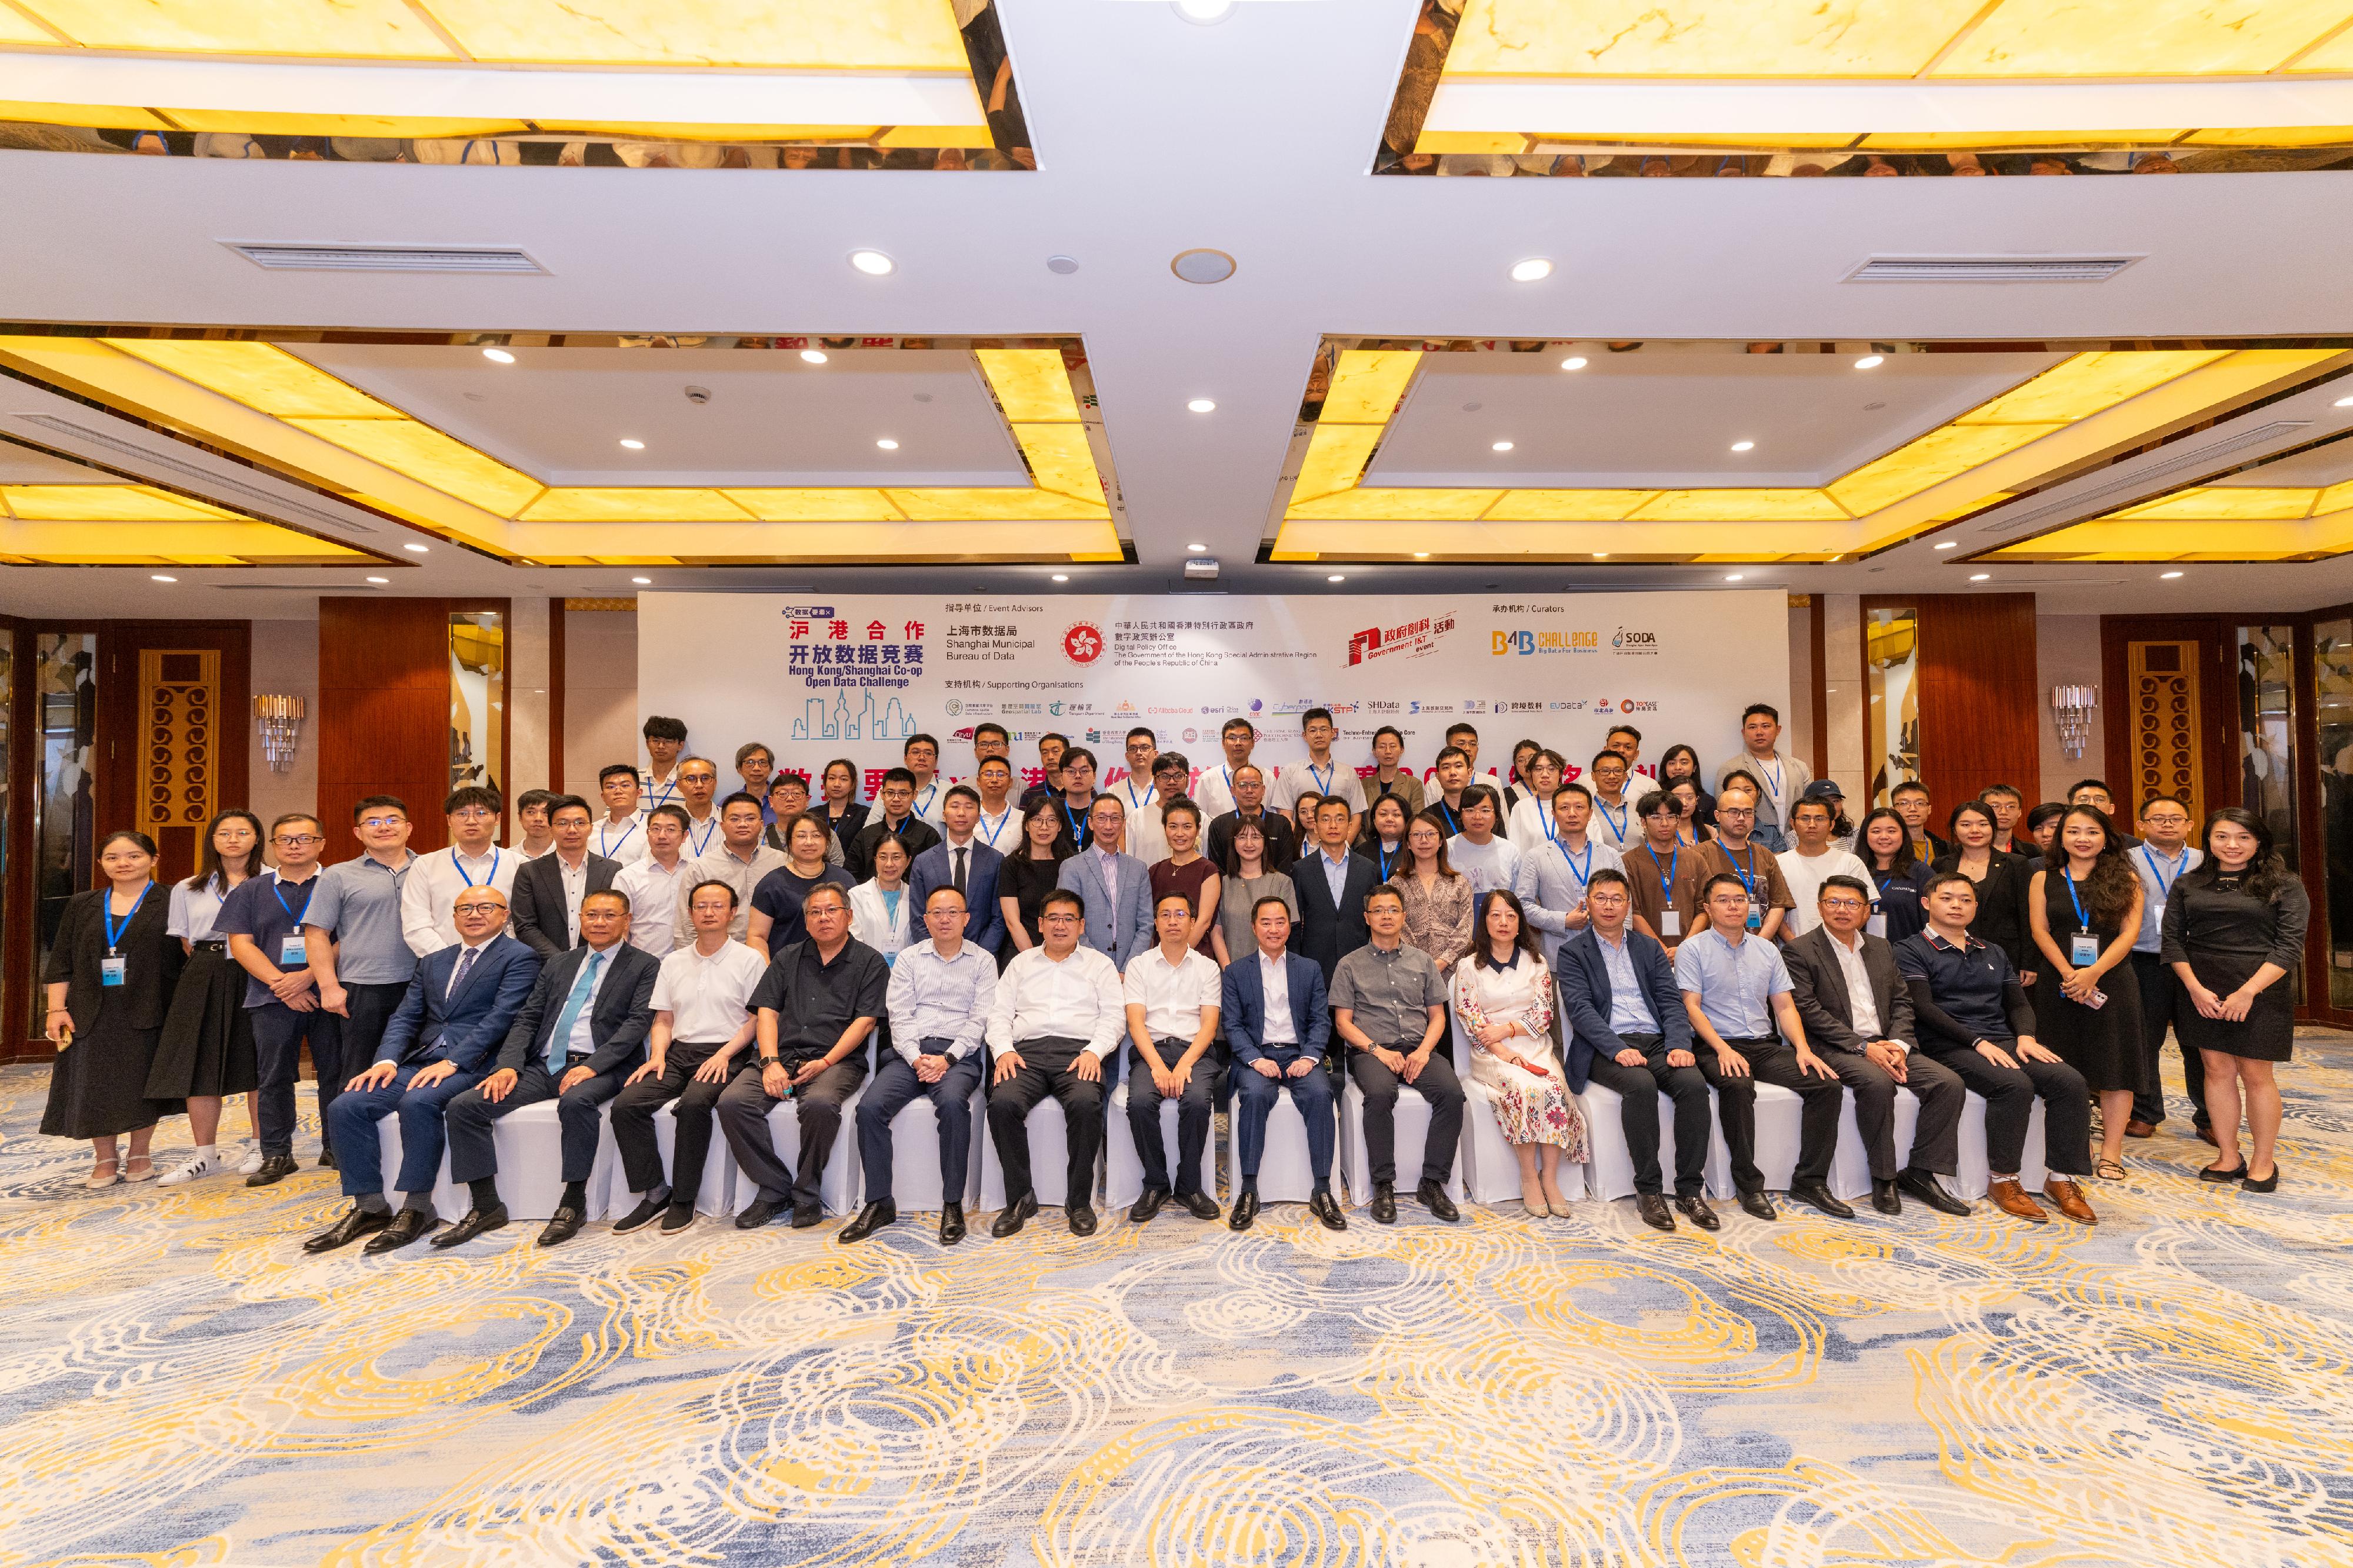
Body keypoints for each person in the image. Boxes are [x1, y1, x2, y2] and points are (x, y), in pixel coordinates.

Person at [305, 887, 541, 1254]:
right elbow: (406, 1016)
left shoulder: (520, 957)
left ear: (505, 914)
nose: (474, 914)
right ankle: (370, 1206)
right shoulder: (435, 961)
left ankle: (417, 1207)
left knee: (419, 1102)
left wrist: (455, 1062)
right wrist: (385, 1061)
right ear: (453, 916)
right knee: (347, 1105)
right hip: (422, 1060)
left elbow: (502, 1018)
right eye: (464, 908)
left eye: (485, 907)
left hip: (478, 1063)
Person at [438, 889, 658, 1247]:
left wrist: (594, 1067)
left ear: (627, 921)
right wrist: (508, 1065)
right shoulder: (560, 963)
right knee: (464, 1107)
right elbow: (528, 1018)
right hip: (546, 1064)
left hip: (604, 1066)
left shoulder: (646, 965)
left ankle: (573, 1203)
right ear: (581, 919)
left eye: (609, 915)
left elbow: (636, 1025)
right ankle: (486, 1205)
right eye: (591, 915)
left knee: (576, 1102)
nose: (599, 922)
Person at [1898, 873, 2097, 1224]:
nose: (1957, 905)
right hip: (1945, 1044)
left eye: (1965, 899)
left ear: (1976, 906)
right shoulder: (1909, 950)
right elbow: (1923, 1009)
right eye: (1947, 898)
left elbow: (2018, 1004)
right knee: (2014, 1084)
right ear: (1927, 903)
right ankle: (2004, 1180)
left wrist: (2026, 1037)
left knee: (2070, 1081)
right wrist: (1977, 1042)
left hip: (2001, 1039)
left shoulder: (1992, 951)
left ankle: (2062, 1179)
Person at [1782, 875, 1971, 1216]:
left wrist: (1899, 1045)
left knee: (1948, 1083)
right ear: (1820, 907)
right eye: (1833, 902)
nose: (1843, 910)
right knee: (1877, 1082)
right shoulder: (1799, 950)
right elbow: (1808, 1011)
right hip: (1835, 1045)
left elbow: (1902, 1002)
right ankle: (1884, 1177)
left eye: (1852, 904)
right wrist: (1862, 1048)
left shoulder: (1882, 948)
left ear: (1866, 911)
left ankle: (1921, 1172)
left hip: (1887, 1042)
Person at [1675, 873, 1847, 1220]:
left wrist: (1802, 1048)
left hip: (1764, 1045)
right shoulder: (1693, 949)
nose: (1733, 906)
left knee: (1826, 1084)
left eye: (1739, 899)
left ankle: (1810, 1181)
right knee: (1738, 1086)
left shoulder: (1767, 950)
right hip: (1715, 1044)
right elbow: (1691, 1006)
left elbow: (1784, 1006)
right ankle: (1749, 1185)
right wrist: (1723, 1049)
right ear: (1708, 908)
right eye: (1723, 900)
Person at [719, 882, 886, 1229]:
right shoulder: (787, 957)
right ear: (806, 920)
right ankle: (773, 1188)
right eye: (815, 912)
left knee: (820, 1105)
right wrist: (770, 1062)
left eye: (832, 911)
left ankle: (807, 1192)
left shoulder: (870, 962)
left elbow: (866, 1022)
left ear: (849, 916)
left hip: (836, 1060)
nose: (824, 918)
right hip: (782, 1055)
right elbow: (767, 1012)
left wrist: (826, 1062)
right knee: (733, 1103)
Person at [841, 885, 997, 1245]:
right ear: (925, 920)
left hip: (958, 1055)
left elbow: (981, 1020)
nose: (945, 919)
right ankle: (879, 1201)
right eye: (937, 913)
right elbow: (899, 1016)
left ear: (966, 918)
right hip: (909, 1053)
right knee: (870, 1108)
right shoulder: (909, 959)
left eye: (953, 912)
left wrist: (947, 1059)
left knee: (955, 1106)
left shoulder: (984, 961)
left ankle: (953, 1203)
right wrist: (917, 1059)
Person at [1558, 870, 1713, 1232]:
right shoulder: (1572, 952)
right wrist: (1616, 1049)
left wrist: (1678, 1044)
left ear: (1628, 905)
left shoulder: (1647, 948)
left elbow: (1671, 1001)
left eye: (1617, 899)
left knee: (1693, 1085)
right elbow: (1580, 1011)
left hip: (1656, 1041)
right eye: (1601, 898)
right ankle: (1649, 1190)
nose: (1609, 906)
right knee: (1640, 1085)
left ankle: (1691, 1190)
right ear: (1588, 903)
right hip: (1604, 1046)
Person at [609, 879, 765, 1235]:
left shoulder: (749, 959)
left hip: (728, 1052)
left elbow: (757, 1020)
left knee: (694, 1105)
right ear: (690, 912)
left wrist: (725, 1055)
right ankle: (656, 1192)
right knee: (627, 1105)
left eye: (717, 906)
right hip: (678, 1053)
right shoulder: (674, 961)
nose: (708, 913)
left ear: (733, 912)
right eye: (701, 907)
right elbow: (663, 1018)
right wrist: (658, 1055)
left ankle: (684, 1198)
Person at [2165, 806, 2308, 1192]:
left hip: (2260, 989)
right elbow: (2173, 942)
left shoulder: (2285, 883)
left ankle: (2264, 1161)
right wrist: (2194, 988)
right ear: (2208, 841)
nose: (2232, 845)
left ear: (2259, 841)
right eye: (2222, 836)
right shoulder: (2189, 884)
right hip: (2202, 989)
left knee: (2257, 1075)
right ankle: (2229, 1155)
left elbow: (2289, 947)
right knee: (2215, 1070)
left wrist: (2247, 992)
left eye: (2243, 837)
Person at [42, 830, 181, 1187]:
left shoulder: (173, 899)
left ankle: (140, 1154)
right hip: (91, 1008)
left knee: (142, 1082)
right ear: (102, 863)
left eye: (134, 856)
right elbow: (61, 962)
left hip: (152, 1005)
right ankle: (105, 1158)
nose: (123, 863)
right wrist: (56, 1009)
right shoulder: (83, 904)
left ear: (154, 859)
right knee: (93, 1082)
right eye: (113, 857)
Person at [985, 887, 1124, 1236]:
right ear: (1041, 924)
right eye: (1053, 919)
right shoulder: (1021, 963)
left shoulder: (1100, 964)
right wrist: (1003, 1050)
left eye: (1068, 919)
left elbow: (1114, 1017)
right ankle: (1020, 1197)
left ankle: (1078, 1200)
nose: (1060, 926)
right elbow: (999, 1014)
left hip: (1078, 1053)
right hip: (1025, 1053)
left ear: (1081, 925)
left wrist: (1095, 1051)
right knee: (1002, 1103)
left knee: (1085, 1103)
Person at [297, 796, 420, 1176]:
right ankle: (346, 1150)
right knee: (356, 1070)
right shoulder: (338, 875)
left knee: (417, 1067)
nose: (384, 827)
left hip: (421, 985)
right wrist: (328, 986)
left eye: (392, 819)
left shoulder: (430, 868)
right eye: (372, 821)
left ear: (408, 827)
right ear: (357, 832)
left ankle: (409, 1146)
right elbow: (317, 934)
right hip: (362, 987)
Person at [2028, 806, 2149, 1183]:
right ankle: (2072, 1144)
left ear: (2107, 837)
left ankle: (2111, 1151)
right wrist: (2070, 974)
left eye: (2092, 831)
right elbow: (2040, 930)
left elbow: (2130, 934)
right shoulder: (2042, 878)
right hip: (2059, 984)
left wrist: (2094, 972)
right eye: (2073, 831)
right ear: (2060, 837)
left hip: (2112, 982)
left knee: (2116, 1068)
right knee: (2062, 1067)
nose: (2082, 838)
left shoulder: (2127, 878)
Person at [217, 813, 337, 1189]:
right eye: (285, 840)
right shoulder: (251, 890)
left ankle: (337, 1147)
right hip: (271, 997)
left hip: (330, 994)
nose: (295, 845)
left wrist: (309, 976)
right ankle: (276, 1153)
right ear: (273, 846)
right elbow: (240, 944)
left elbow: (351, 938)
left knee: (336, 1073)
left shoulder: (339, 884)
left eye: (304, 838)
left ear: (321, 842)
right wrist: (282, 983)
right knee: (273, 1077)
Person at [1452, 890, 1587, 1215]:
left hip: (1535, 1046)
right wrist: (1505, 1051)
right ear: (1484, 921)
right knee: (1524, 1088)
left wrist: (1509, 1029)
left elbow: (1543, 1015)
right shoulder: (1469, 967)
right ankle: (1529, 1177)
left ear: (1520, 922)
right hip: (1491, 1053)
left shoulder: (1536, 962)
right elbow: (1473, 1022)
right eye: (1496, 915)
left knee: (1554, 1088)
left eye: (1511, 916)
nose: (1504, 922)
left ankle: (1550, 1178)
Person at [1333, 885, 1462, 1223]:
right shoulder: (1349, 964)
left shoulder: (1423, 962)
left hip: (1419, 1048)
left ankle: (1432, 1182)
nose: (1386, 916)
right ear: (1367, 918)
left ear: (1404, 917)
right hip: (1371, 1050)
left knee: (1452, 1095)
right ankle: (1383, 1184)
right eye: (1378, 910)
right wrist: (1378, 1051)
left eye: (1393, 910)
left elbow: (1438, 1017)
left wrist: (1422, 1053)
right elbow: (1343, 1024)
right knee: (1379, 1094)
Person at [151, 810, 265, 1185]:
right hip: (204, 972)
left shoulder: (272, 881)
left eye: (242, 832)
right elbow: (186, 942)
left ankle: (262, 1145)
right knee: (199, 1062)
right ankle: (204, 1154)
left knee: (258, 1063)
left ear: (257, 838)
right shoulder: (188, 887)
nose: (233, 839)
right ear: (212, 840)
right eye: (224, 833)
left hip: (257, 971)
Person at [1224, 898, 1346, 1232]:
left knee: (1322, 1095)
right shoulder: (1236, 972)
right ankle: (1249, 1189)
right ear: (1254, 928)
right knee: (1255, 1096)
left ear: (1290, 927)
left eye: (1280, 922)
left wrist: (1310, 1058)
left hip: (1300, 1054)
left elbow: (1321, 1020)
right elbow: (1232, 1026)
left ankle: (1322, 1190)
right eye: (1266, 922)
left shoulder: (1309, 969)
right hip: (1257, 1054)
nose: (1273, 929)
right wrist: (1255, 1060)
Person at [1120, 891, 1227, 1222]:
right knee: (1139, 1102)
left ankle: (1189, 1185)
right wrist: (1156, 1065)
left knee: (1196, 1102)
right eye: (1165, 915)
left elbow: (1209, 1027)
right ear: (1155, 923)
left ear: (1193, 922)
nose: (1173, 921)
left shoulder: (1208, 968)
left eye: (1181, 915)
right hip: (1150, 1050)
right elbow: (1135, 1023)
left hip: (1195, 1052)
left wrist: (1183, 1066)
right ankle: (1156, 1183)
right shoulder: (1138, 966)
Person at [2126, 793, 2205, 1141]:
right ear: (2141, 825)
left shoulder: (2207, 860)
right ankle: (2145, 1112)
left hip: (2197, 962)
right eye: (2158, 819)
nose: (2168, 824)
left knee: (2201, 1041)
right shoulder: (2125, 860)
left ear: (2189, 824)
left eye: (2176, 818)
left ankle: (2209, 1117)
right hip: (2145, 959)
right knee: (2144, 1039)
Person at [1514, 781, 1623, 965]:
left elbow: (1625, 905)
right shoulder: (1536, 856)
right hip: (1559, 954)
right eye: (1564, 808)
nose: (1572, 813)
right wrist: (1563, 921)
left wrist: (1622, 948)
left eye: (1579, 807)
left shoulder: (1610, 855)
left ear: (1590, 814)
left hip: (1609, 954)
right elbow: (1523, 905)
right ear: (1554, 814)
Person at [401, 787, 518, 954]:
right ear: (449, 820)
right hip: (441, 962)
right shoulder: (425, 865)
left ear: (497, 818)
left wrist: (500, 957)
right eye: (462, 814)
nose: (471, 821)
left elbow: (523, 922)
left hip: (505, 963)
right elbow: (416, 924)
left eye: (481, 813)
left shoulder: (519, 864)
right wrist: (450, 959)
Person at [1932, 801, 2038, 985]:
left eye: (1983, 824)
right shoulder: (1941, 865)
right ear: (1955, 829)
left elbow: (2029, 915)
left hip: (2006, 955)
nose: (1975, 830)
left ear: (1993, 828)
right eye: (1966, 825)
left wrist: (2029, 962)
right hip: (1950, 955)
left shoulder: (2016, 864)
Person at [510, 795, 619, 959]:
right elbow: (525, 926)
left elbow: (616, 920)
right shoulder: (529, 872)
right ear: (551, 828)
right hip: (546, 966)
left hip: (599, 962)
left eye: (580, 823)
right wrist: (560, 961)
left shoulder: (612, 870)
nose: (572, 830)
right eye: (562, 823)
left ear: (591, 828)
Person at [1058, 794, 1154, 969]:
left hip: (1130, 970)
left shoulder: (1138, 869)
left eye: (1115, 818)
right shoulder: (1072, 868)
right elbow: (1068, 922)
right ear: (1091, 823)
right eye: (1101, 818)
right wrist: (1100, 968)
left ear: (1123, 823)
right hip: (1084, 968)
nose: (1108, 826)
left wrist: (1128, 968)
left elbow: (1146, 925)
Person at [911, 784, 1006, 956]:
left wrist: (980, 956)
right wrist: (936, 954)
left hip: (982, 959)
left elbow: (999, 918)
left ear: (978, 817)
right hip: (934, 959)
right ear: (944, 815)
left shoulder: (995, 860)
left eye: (969, 807)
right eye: (955, 806)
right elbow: (919, 917)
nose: (961, 813)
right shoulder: (924, 862)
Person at [1294, 795, 1379, 983]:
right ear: (1315, 826)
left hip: (1361, 966)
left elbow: (1375, 919)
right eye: (1325, 819)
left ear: (1350, 826)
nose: (1333, 825)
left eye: (1340, 819)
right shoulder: (1301, 869)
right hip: (1314, 966)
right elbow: (1294, 924)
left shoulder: (1367, 868)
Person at [691, 794, 794, 949]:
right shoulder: (701, 868)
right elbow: (688, 925)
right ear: (722, 825)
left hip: (777, 954)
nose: (743, 824)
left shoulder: (782, 862)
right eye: (734, 819)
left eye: (750, 819)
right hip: (722, 956)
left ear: (761, 824)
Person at [1697, 788, 1794, 941]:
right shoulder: (1700, 855)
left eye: (1748, 813)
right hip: (1714, 947)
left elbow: (1778, 904)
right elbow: (1697, 907)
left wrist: (1759, 943)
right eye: (1734, 812)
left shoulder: (1765, 855)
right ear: (1717, 816)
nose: (1741, 818)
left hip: (1762, 947)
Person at [1625, 790, 1707, 956]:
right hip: (1646, 952)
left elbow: (1704, 909)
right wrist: (1660, 948)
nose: (1665, 823)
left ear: (1678, 820)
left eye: (1671, 817)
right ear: (1643, 822)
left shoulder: (1695, 860)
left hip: (1692, 951)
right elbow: (1633, 912)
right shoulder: (1629, 862)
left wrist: (1685, 949)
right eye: (1656, 817)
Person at [1717, 703, 1809, 850]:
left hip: (1796, 844)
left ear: (1778, 730)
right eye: (1753, 727)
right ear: (1744, 732)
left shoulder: (1799, 767)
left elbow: (1808, 809)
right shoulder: (1730, 768)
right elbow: (1724, 812)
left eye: (1766, 726)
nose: (1759, 732)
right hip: (1754, 844)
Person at [1776, 796, 1871, 938]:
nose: (1812, 825)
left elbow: (1864, 910)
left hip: (1842, 947)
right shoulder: (1778, 863)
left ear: (1832, 824)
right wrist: (1797, 946)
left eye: (1820, 819)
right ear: (1793, 824)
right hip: (1792, 950)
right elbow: (1774, 910)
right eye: (1805, 819)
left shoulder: (1850, 862)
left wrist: (1840, 940)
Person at [1391, 808, 1474, 969]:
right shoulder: (1396, 884)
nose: (1424, 840)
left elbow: (1466, 929)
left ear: (1441, 841)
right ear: (1407, 843)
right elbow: (1397, 927)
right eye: (1416, 835)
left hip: (1454, 969)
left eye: (1430, 834)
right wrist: (1418, 963)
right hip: (1409, 967)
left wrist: (1443, 962)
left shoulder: (1459, 883)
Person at [999, 796, 1076, 967]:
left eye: (1051, 820)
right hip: (1022, 952)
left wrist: (1057, 956)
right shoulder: (1011, 864)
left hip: (1066, 952)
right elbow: (1013, 922)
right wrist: (1035, 959)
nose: (1044, 827)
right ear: (1026, 825)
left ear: (1060, 826)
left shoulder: (1071, 864)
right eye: (1037, 820)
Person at [1214, 816, 1298, 966]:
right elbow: (1217, 932)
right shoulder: (1223, 884)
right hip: (1232, 970)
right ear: (1233, 842)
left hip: (1273, 970)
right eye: (1242, 837)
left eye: (1255, 837)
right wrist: (1230, 970)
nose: (1249, 844)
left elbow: (1284, 933)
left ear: (1265, 841)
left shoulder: (1282, 882)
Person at [613, 804, 693, 958]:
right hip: (646, 967)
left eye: (671, 830)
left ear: (684, 836)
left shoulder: (697, 872)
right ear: (647, 833)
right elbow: (620, 930)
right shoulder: (627, 877)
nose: (662, 836)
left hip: (692, 965)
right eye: (655, 829)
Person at [1274, 707, 1365, 840]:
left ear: (1333, 733)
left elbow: (1356, 817)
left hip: (1341, 848)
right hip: (1303, 850)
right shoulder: (1290, 772)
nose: (1319, 735)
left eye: (1324, 729)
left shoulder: (1348, 773)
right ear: (1304, 736)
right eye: (1312, 730)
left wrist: (1342, 847)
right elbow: (1286, 817)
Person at [1149, 798, 1221, 953]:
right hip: (1158, 959)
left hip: (1196, 957)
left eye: (1187, 827)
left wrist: (1177, 955)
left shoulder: (1208, 870)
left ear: (1198, 829)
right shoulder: (1155, 871)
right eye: (1173, 827)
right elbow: (1149, 923)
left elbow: (1204, 922)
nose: (1180, 834)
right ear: (1165, 828)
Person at [847, 768, 941, 882]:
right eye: (890, 793)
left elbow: (937, 878)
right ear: (882, 794)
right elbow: (850, 877)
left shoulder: (928, 836)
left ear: (915, 795)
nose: (896, 799)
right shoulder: (866, 835)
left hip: (914, 899)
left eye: (903, 793)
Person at [1855, 806, 1933, 943]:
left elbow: (1934, 921)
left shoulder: (1921, 872)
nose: (1884, 837)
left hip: (1907, 957)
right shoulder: (1854, 870)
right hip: (1860, 955)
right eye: (1876, 831)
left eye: (1892, 831)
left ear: (1903, 834)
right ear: (1865, 835)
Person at [1204, 763, 1298, 870]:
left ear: (1263, 790)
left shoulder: (1281, 824)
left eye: (1255, 785)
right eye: (1243, 785)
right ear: (1233, 791)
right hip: (1231, 886)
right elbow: (1217, 870)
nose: (1249, 790)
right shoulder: (1219, 826)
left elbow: (1284, 868)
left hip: (1274, 886)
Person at [849, 833, 915, 965]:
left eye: (896, 857)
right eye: (883, 857)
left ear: (908, 861)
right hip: (867, 971)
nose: (889, 864)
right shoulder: (857, 895)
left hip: (907, 972)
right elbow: (854, 940)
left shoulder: (915, 896)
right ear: (875, 860)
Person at [1447, 785, 1521, 900]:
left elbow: (1517, 898)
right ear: (1461, 815)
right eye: (1470, 810)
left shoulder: (1510, 851)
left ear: (1497, 815)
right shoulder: (1447, 849)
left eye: (1485, 810)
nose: (1477, 816)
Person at [1124, 749, 1188, 866]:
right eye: (1164, 776)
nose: (1172, 782)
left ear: (1187, 781)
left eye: (1178, 776)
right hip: (1148, 884)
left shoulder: (1201, 818)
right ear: (1155, 782)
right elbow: (1129, 862)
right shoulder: (1137, 817)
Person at [1192, 718, 1259, 820]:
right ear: (1223, 743)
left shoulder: (1267, 777)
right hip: (1219, 836)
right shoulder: (1208, 779)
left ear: (1253, 743)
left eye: (1244, 738)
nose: (1238, 743)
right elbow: (1199, 819)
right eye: (1232, 738)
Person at [1503, 750, 1566, 845]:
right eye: (1538, 769)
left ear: (1561, 773)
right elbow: (1514, 847)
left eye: (1552, 769)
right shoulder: (1521, 807)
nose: (1545, 775)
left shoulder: (1575, 805)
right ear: (1531, 773)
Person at [1049, 746, 1102, 853]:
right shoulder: (1052, 811)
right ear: (1061, 778)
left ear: (1094, 777)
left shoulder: (1103, 811)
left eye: (1084, 771)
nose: (1078, 776)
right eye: (1071, 771)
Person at [1584, 750, 1639, 852]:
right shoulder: (1584, 810)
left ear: (1625, 776)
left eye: (1618, 771)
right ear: (1593, 776)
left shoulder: (1639, 810)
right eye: (1605, 771)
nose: (1612, 776)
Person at [592, 764, 649, 863]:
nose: (618, 791)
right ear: (603, 797)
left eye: (625, 785)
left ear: (639, 793)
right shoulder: (591, 831)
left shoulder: (652, 828)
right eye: (610, 787)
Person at [2067, 779, 2142, 849]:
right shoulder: (2060, 842)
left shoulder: (2133, 846)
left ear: (2111, 809)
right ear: (2071, 808)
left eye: (2100, 800)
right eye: (2084, 800)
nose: (2092, 804)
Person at [1367, 725, 1425, 815]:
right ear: (1374, 751)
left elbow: (1417, 821)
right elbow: (1360, 822)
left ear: (1401, 750)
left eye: (1393, 746)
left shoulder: (1413, 785)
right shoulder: (1364, 785)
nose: (1388, 752)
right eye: (1382, 747)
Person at [671, 757, 722, 858]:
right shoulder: (668, 824)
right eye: (691, 779)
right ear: (679, 785)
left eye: (706, 778)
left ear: (715, 784)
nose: (699, 785)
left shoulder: (730, 821)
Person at [972, 755, 1021, 855]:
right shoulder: (967, 817)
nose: (994, 780)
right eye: (988, 774)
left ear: (1010, 782)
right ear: (978, 781)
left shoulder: (1023, 819)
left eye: (1001, 775)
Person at [1658, 743, 1715, 830]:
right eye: (1672, 763)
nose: (1678, 767)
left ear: (1694, 768)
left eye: (1684, 763)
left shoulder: (1708, 801)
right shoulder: (1656, 798)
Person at [1358, 792, 1412, 882]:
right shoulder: (1363, 850)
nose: (1389, 819)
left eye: (1396, 815)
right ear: (1374, 820)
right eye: (1383, 814)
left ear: (1406, 820)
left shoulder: (1414, 849)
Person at [1891, 782, 1948, 865]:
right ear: (1893, 810)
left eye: (1920, 803)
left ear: (1929, 809)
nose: (1913, 809)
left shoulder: (1945, 847)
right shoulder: (1886, 845)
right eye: (1904, 803)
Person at [639, 715, 688, 809]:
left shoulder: (689, 780)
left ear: (680, 745)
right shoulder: (633, 779)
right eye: (656, 740)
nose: (661, 746)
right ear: (647, 743)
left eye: (669, 741)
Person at [818, 758, 869, 846]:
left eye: (844, 779)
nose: (837, 784)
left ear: (853, 784)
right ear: (825, 782)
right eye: (832, 778)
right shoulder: (813, 814)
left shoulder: (864, 814)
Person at [1426, 746, 1474, 837]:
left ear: (1470, 773)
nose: (1452, 772)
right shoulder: (1428, 817)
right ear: (1438, 776)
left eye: (1458, 766)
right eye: (1446, 767)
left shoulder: (1485, 813)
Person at [903, 733, 946, 828]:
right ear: (905, 759)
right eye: (915, 753)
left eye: (928, 753)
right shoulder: (889, 791)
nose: (922, 758)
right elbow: (872, 830)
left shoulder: (950, 790)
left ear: (936, 761)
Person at [1019, 732, 1068, 812]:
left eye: (1056, 751)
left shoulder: (1082, 790)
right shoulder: (1030, 795)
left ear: (1067, 754)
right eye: (1045, 753)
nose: (1050, 757)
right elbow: (1024, 824)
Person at [1500, 739, 1542, 824]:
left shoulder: (1558, 791)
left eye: (1531, 758)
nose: (1527, 764)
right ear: (1516, 766)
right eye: (1521, 760)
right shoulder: (1507, 795)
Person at [1981, 783, 2028, 856]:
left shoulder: (2034, 852)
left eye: (2011, 806)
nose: (2003, 812)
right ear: (1982, 811)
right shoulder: (1965, 850)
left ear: (2020, 812)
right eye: (1995, 806)